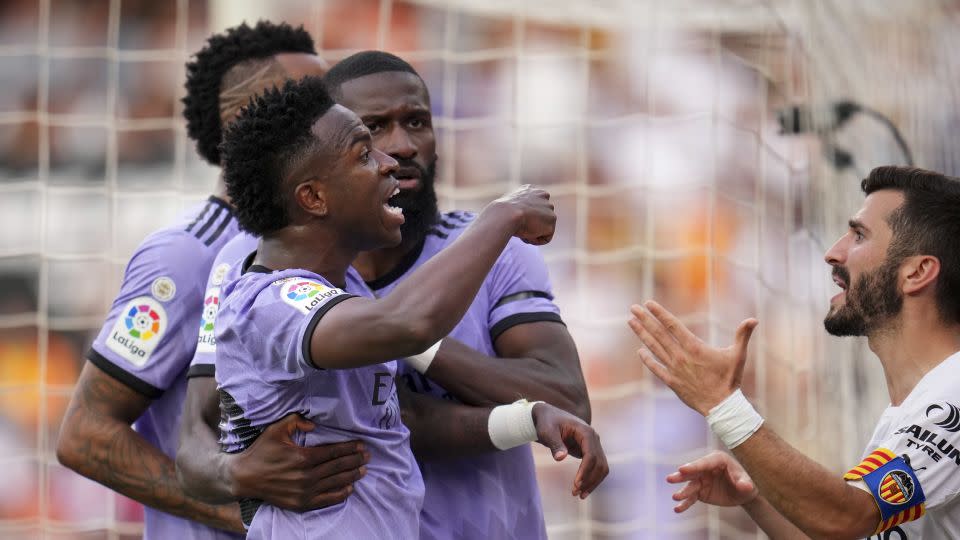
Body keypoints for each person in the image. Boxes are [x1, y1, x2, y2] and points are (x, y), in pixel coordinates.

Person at [213, 75, 606, 539]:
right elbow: (405, 323)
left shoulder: (342, 292)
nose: (389, 161)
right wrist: (503, 215)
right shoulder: (267, 302)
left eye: (416, 122)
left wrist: (528, 418)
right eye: (364, 152)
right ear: (314, 197)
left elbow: (404, 419)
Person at [55, 21, 359, 539]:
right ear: (251, 120)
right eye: (312, 101)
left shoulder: (330, 249)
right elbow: (84, 435)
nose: (337, 115)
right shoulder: (187, 257)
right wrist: (247, 518)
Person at [326, 50, 592, 539]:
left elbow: (569, 401)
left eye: (417, 122)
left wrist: (411, 337)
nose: (402, 145)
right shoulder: (302, 277)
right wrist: (402, 325)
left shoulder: (493, 251)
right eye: (375, 129)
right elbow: (400, 419)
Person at [629, 165, 960, 539]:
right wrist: (758, 496)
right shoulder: (912, 409)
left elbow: (847, 518)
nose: (833, 253)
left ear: (917, 272)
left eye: (859, 236)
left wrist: (724, 406)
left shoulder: (953, 393)